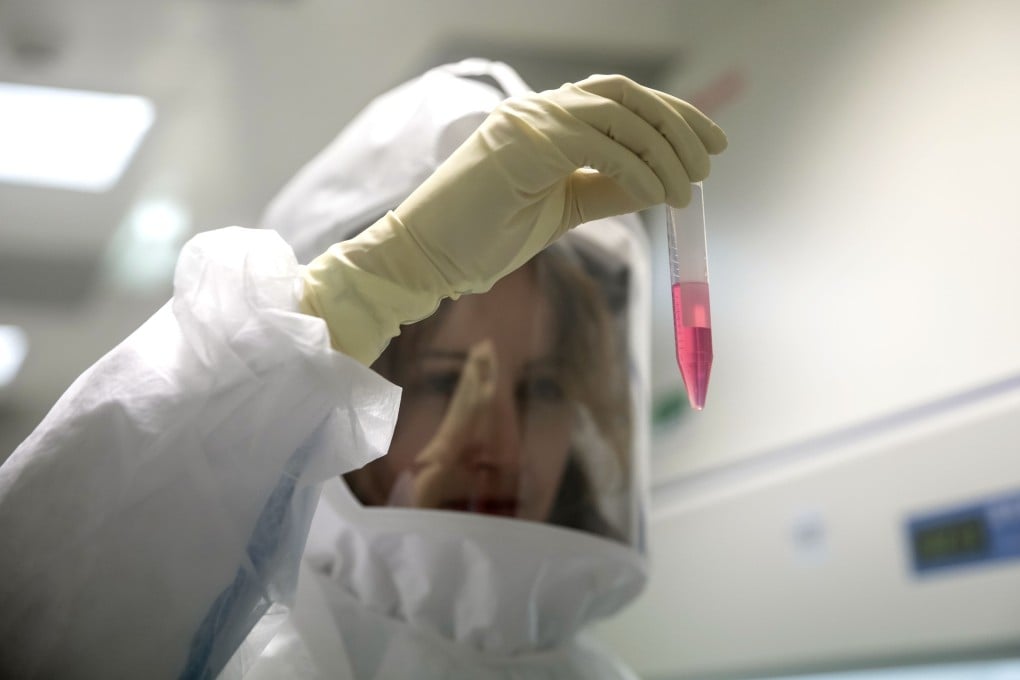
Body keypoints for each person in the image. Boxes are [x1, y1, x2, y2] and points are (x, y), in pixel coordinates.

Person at [0, 59, 727, 679]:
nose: (497, 445)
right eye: (442, 382)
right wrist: (354, 296)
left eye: (543, 389)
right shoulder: (236, 657)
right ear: (326, 393)